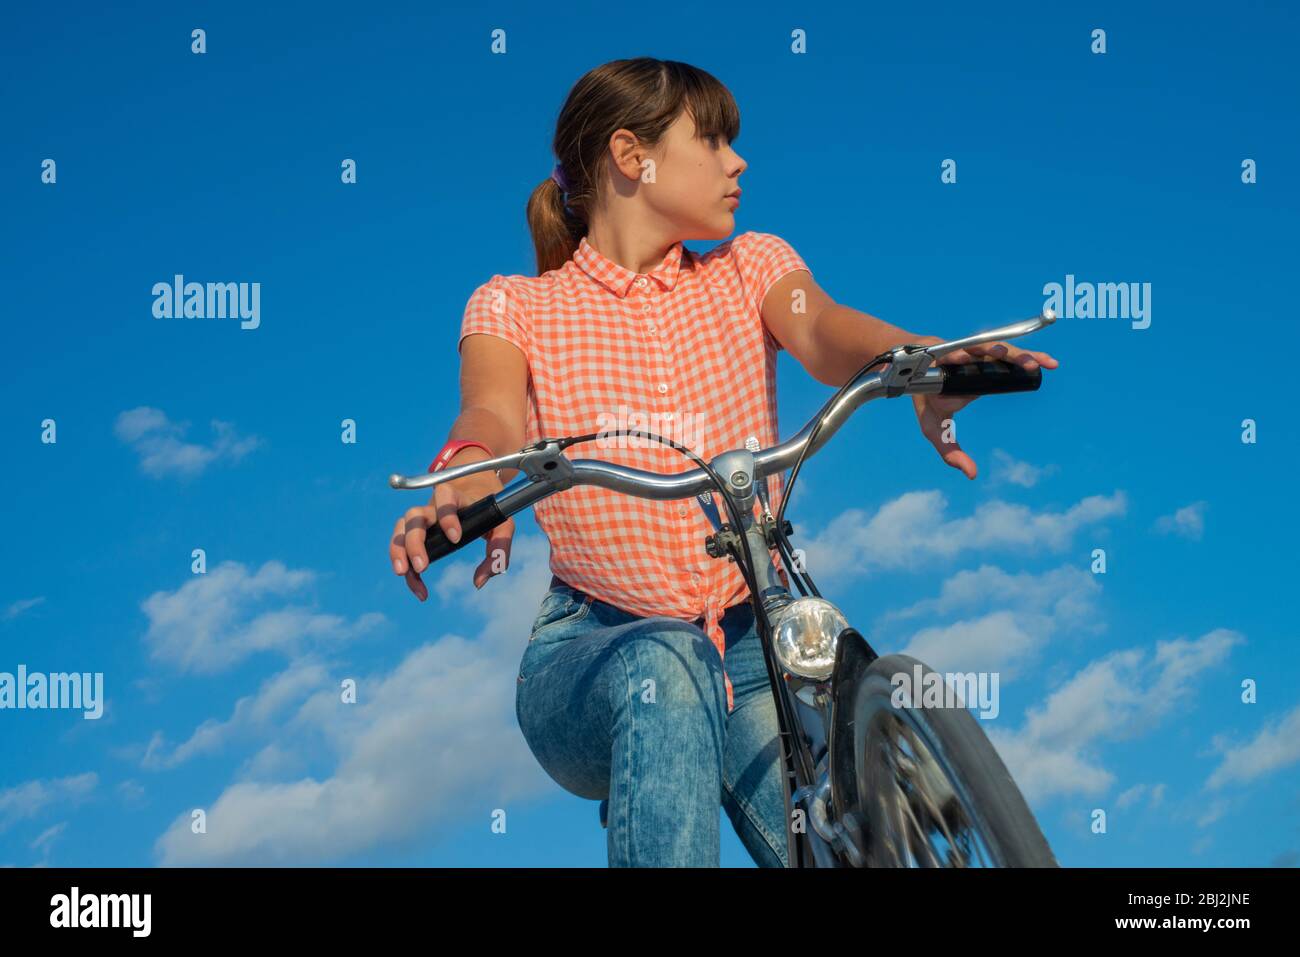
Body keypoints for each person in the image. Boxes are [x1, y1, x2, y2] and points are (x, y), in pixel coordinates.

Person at [388, 57, 1057, 867]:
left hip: (751, 633)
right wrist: (468, 470)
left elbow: (822, 329)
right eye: (712, 140)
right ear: (633, 156)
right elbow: (491, 411)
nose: (737, 161)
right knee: (665, 666)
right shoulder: (516, 304)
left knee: (852, 835)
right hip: (591, 648)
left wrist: (921, 362)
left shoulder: (751, 267)